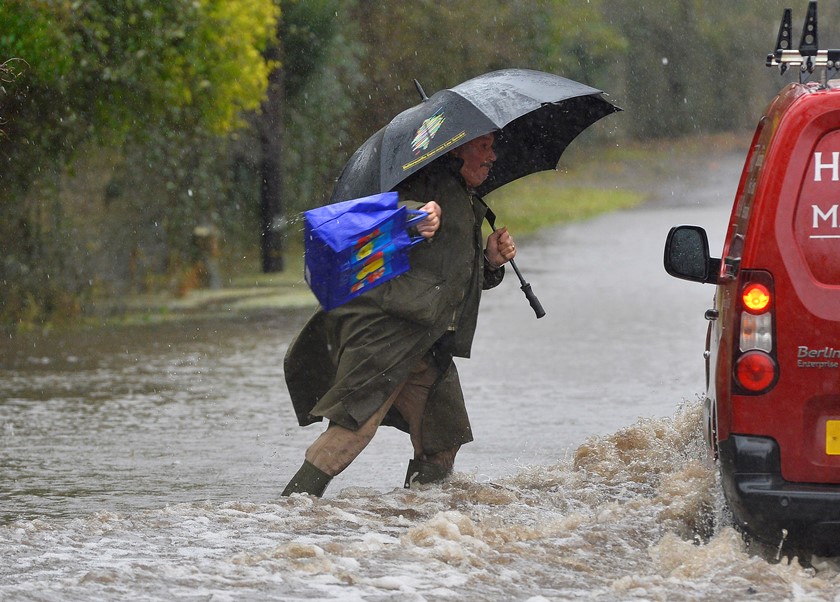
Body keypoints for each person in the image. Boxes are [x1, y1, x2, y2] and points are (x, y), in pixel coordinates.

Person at [282, 132, 517, 496]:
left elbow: (447, 275)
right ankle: (284, 519)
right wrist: (412, 220)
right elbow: (400, 211)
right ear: (457, 148)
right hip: (389, 335)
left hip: (427, 344)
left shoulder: (464, 198)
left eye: (492, 147)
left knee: (442, 438)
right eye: (483, 147)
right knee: (350, 432)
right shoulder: (426, 180)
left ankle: (417, 522)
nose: (493, 156)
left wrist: (490, 260)